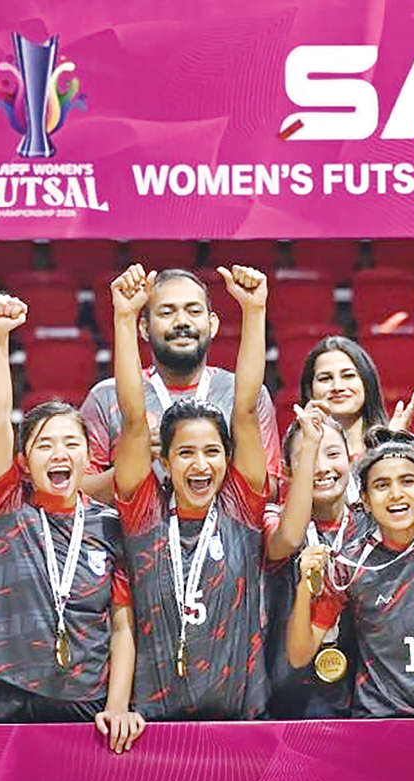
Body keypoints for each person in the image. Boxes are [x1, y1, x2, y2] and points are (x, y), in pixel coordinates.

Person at [0, 293, 142, 750]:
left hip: (88, 701)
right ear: (25, 464)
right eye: (45, 445)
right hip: (10, 694)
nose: (59, 453)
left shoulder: (109, 525)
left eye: (71, 443)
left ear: (88, 457)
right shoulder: (7, 506)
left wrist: (118, 704)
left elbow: (122, 625)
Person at [110, 262, 274, 720]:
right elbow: (133, 420)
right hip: (154, 721)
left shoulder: (241, 509)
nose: (201, 465)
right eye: (185, 453)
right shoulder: (144, 514)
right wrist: (124, 318)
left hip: (241, 718)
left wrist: (255, 312)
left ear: (229, 458)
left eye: (212, 452)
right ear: (164, 461)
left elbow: (245, 410)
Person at [288, 427, 414, 717]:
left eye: (407, 481)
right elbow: (300, 654)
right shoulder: (348, 565)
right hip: (379, 720)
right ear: (364, 499)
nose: (396, 494)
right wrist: (304, 587)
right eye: (381, 485)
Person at [80, 265, 283, 502]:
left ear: (213, 324)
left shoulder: (245, 394)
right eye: (167, 313)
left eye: (194, 311)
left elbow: (268, 491)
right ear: (144, 328)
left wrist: (217, 460)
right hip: (135, 524)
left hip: (226, 525)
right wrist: (135, 458)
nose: (181, 322)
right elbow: (76, 491)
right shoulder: (106, 396)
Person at [264, 412, 371, 718]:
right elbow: (287, 539)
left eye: (333, 454)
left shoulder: (370, 524)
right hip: (288, 700)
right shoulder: (272, 520)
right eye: (308, 458)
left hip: (361, 701)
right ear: (286, 471)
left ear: (350, 460)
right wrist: (309, 443)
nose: (322, 467)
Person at [300, 334, 414, 519]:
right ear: (309, 390)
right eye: (325, 378)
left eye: (348, 375)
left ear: (367, 383)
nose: (337, 386)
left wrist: (393, 447)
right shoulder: (300, 449)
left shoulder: (408, 445)